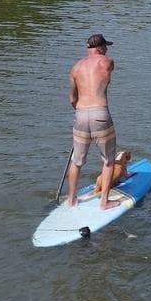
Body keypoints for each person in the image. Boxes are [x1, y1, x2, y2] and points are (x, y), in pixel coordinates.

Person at [66, 33, 120, 209]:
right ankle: (104, 202)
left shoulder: (75, 68)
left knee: (77, 161)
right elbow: (106, 68)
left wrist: (83, 112)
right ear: (101, 48)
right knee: (108, 160)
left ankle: (71, 199)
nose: (107, 50)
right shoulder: (107, 61)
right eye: (105, 47)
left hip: (80, 114)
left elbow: (72, 99)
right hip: (100, 113)